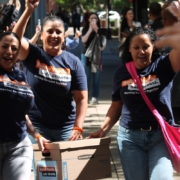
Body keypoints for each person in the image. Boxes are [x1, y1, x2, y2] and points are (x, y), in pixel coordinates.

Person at [88, 26, 180, 180]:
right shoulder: (121, 73)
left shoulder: (164, 65)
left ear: (153, 47)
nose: (141, 52)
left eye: (146, 47)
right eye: (136, 47)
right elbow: (116, 105)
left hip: (159, 138)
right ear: (129, 49)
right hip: (130, 139)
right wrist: (103, 129)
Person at [12, 0, 88, 179]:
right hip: (37, 129)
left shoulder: (73, 62)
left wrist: (78, 127)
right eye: (50, 31)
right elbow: (15, 39)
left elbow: (82, 99)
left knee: (68, 175)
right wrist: (29, 10)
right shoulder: (32, 55)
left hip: (66, 129)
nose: (54, 35)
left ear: (64, 35)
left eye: (58, 32)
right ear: (41, 35)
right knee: (46, 176)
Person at [0, 31, 49, 180]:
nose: (9, 51)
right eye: (4, 46)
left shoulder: (20, 75)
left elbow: (20, 112)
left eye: (14, 48)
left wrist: (37, 135)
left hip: (18, 146)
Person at [81, 12, 106, 105]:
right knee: (85, 77)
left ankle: (95, 97)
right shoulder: (85, 29)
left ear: (98, 20)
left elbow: (102, 45)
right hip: (86, 56)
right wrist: (90, 30)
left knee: (96, 78)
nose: (93, 20)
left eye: (95, 18)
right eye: (91, 18)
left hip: (97, 57)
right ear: (88, 20)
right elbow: (83, 40)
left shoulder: (101, 30)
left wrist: (97, 31)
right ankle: (86, 97)